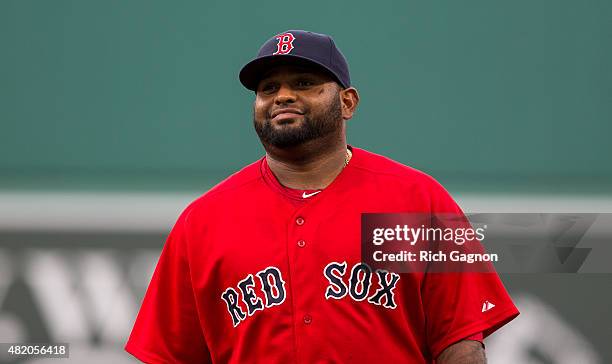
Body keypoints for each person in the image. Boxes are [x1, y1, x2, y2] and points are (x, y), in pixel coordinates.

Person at [125, 29, 519, 363]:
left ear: (347, 102)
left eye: (303, 83)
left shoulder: (416, 200)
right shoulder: (205, 220)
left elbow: (460, 341)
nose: (282, 96)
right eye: (268, 88)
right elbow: (170, 354)